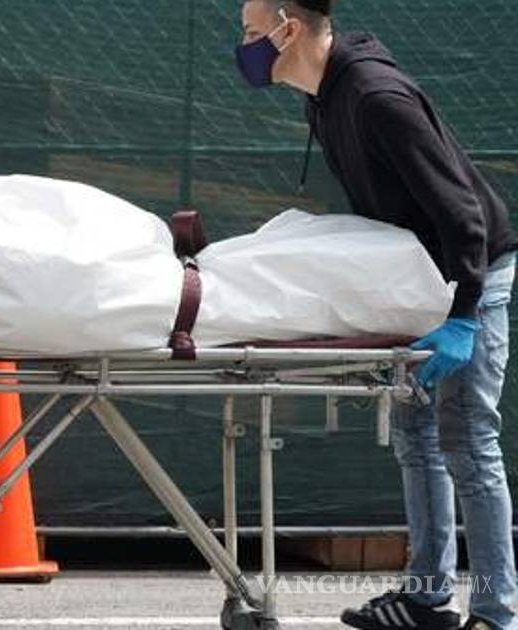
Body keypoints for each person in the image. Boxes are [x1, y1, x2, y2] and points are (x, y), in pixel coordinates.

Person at [235, 1, 518, 629]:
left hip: (470, 273)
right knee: (417, 438)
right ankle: (428, 599)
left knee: (469, 441)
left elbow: (465, 214)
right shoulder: (324, 97)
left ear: (288, 30)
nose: (244, 45)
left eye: (252, 32)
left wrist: (464, 314)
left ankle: (497, 613)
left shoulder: (375, 98)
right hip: (418, 276)